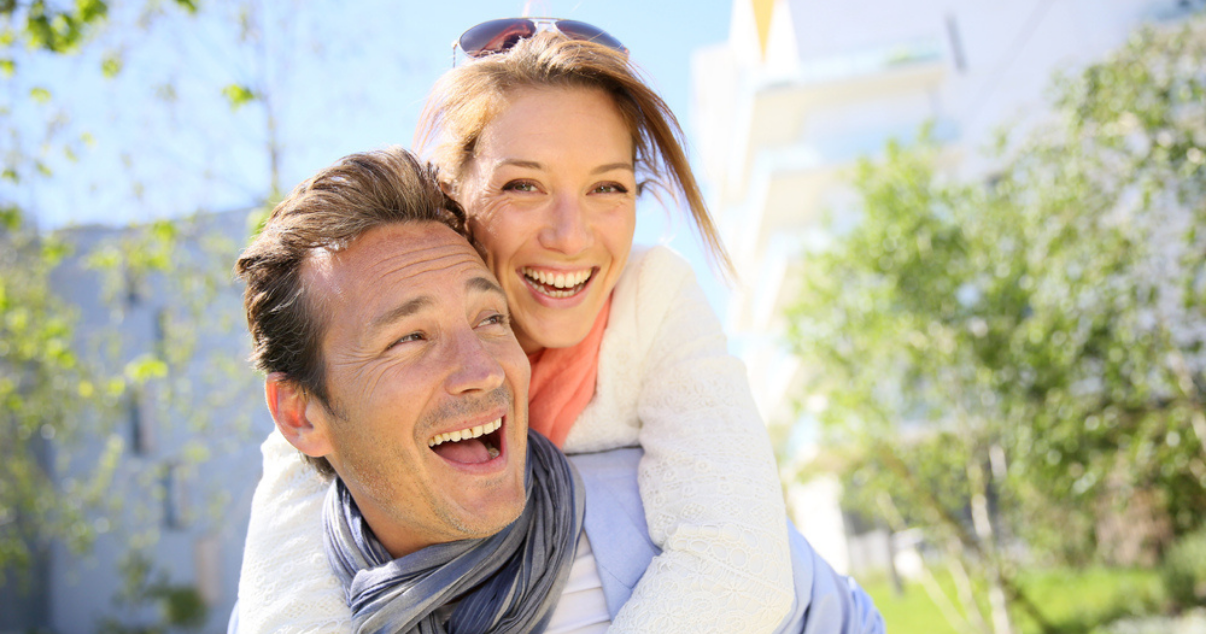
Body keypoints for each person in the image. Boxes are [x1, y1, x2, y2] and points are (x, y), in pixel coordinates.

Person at [239, 21, 791, 632]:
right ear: (454, 196)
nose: (570, 236)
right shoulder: (348, 354)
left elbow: (741, 560)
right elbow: (285, 591)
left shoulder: (651, 297)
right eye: (523, 185)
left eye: (607, 186)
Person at [233, 146, 884, 633]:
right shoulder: (299, 591)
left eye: (491, 319)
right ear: (299, 415)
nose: (482, 369)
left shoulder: (674, 526)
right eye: (410, 339)